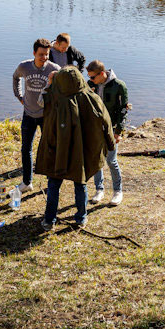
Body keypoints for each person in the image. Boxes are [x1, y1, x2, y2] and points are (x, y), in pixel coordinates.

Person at [36, 66, 115, 229]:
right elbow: (106, 122)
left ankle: (49, 220)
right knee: (81, 183)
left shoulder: (54, 97)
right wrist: (110, 143)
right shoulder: (92, 97)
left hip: (58, 150)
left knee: (53, 185)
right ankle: (81, 218)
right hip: (81, 151)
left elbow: (40, 103)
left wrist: (50, 83)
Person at [13, 38, 60, 192]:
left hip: (46, 116)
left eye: (46, 54)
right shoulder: (24, 66)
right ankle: (27, 182)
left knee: (49, 148)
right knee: (26, 149)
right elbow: (15, 77)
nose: (44, 58)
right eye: (41, 54)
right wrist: (19, 96)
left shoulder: (54, 69)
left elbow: (62, 88)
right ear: (34, 53)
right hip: (28, 114)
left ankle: (51, 183)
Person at [86, 60, 130, 206]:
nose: (90, 80)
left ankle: (118, 191)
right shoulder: (90, 84)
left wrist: (119, 131)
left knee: (111, 160)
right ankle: (99, 190)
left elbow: (123, 110)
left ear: (102, 74)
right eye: (89, 77)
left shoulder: (119, 85)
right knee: (96, 160)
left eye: (92, 77)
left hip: (111, 128)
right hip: (94, 128)